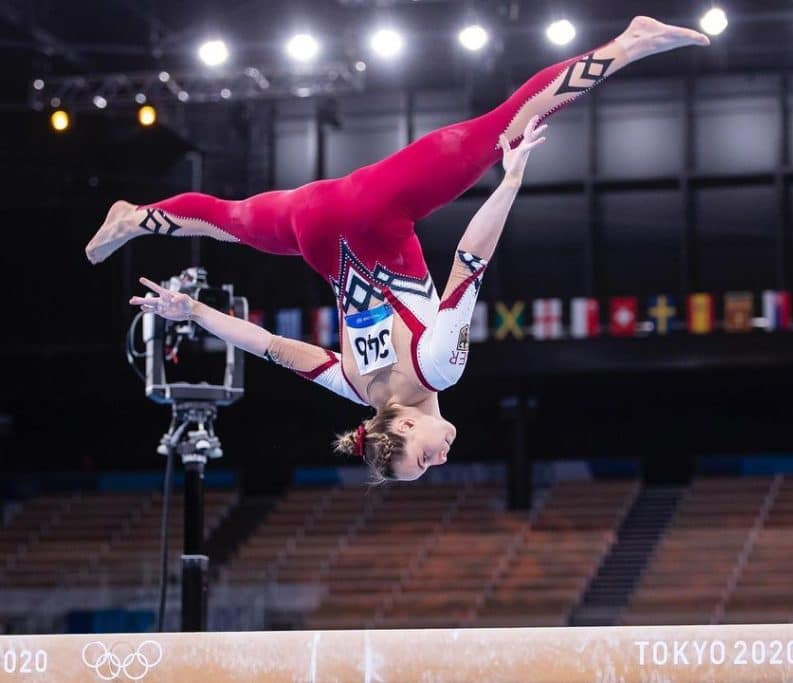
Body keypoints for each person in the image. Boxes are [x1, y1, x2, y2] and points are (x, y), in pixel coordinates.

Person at [87, 16, 710, 482]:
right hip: (315, 232)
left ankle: (630, 42)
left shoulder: (441, 368)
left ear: (407, 425)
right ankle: (139, 219)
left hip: (373, 210)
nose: (441, 458)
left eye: (425, 457)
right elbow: (270, 346)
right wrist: (191, 314)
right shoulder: (356, 390)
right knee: (231, 221)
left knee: (506, 124)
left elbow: (471, 262)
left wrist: (511, 179)